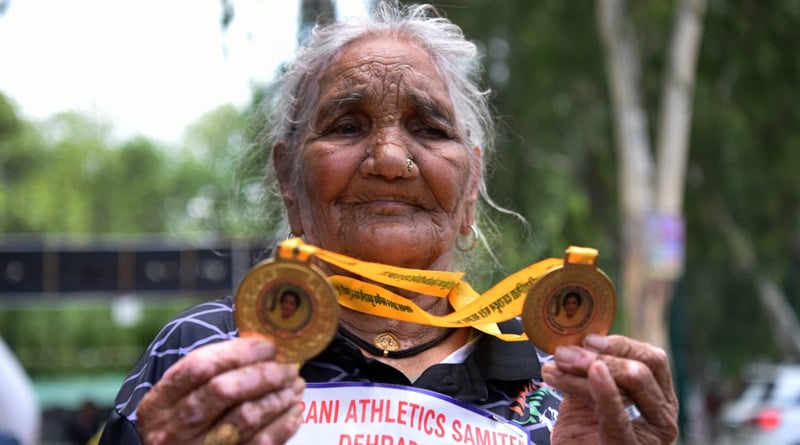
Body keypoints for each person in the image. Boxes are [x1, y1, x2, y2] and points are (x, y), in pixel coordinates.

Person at [99, 2, 679, 444]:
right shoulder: (206, 352)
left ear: (470, 187)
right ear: (288, 178)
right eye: (348, 126)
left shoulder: (564, 384)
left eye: (429, 130)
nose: (390, 161)